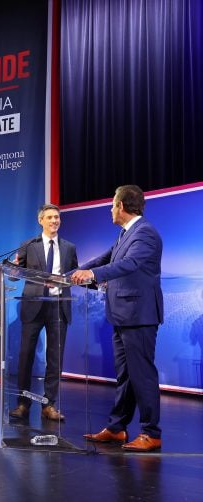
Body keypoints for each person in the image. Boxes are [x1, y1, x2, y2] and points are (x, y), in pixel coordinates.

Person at [71, 185, 164, 452]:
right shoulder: (126, 233)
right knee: (125, 376)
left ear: (121, 206)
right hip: (122, 315)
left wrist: (92, 275)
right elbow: (105, 258)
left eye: (112, 204)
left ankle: (151, 432)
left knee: (142, 375)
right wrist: (69, 275)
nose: (111, 209)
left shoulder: (145, 232)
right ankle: (116, 427)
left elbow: (129, 264)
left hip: (139, 315)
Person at [9, 204, 78, 422]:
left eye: (57, 217)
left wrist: (70, 280)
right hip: (34, 305)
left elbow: (73, 274)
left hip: (58, 305)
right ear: (41, 220)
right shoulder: (29, 245)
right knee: (26, 356)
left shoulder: (69, 247)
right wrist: (12, 269)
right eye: (49, 217)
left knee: (55, 358)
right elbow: (13, 275)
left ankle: (49, 405)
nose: (54, 221)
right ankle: (23, 403)